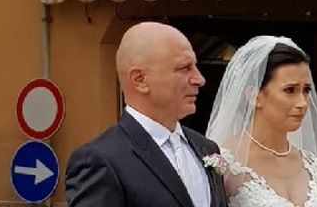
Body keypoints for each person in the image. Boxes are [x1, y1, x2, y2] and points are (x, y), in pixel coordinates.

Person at [65, 22, 228, 207]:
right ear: (139, 80)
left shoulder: (206, 148)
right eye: (184, 68)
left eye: (195, 67)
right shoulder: (102, 160)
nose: (199, 79)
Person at [206, 35, 317, 206]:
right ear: (254, 96)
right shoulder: (225, 162)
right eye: (290, 90)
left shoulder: (310, 163)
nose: (302, 103)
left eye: (306, 90)